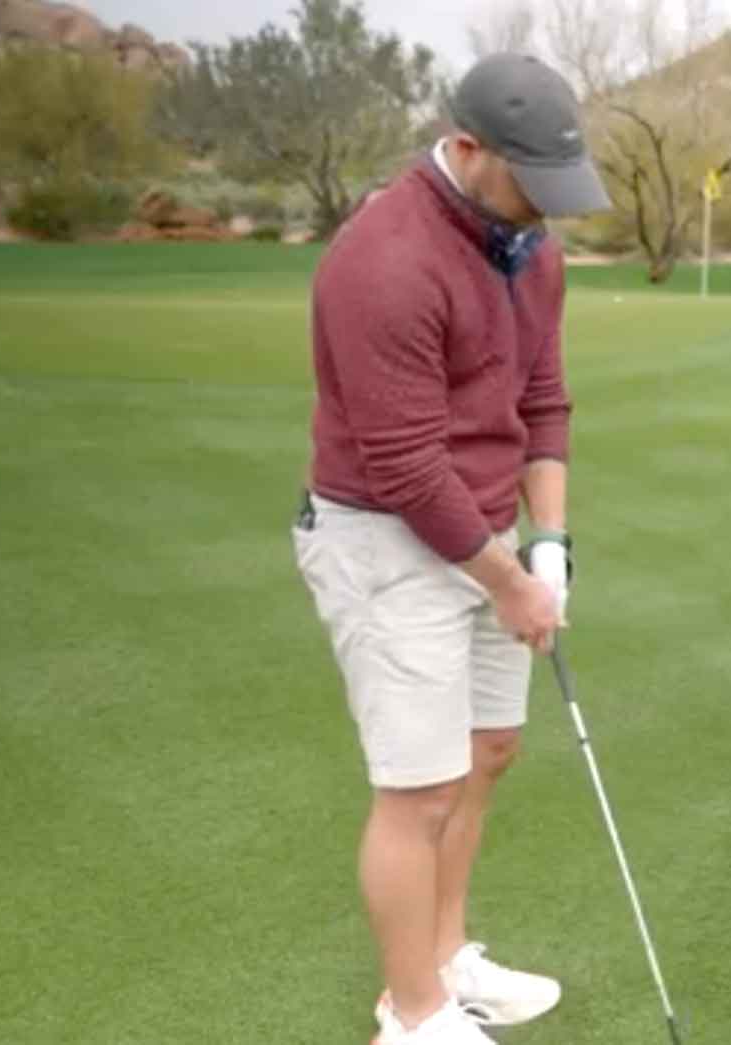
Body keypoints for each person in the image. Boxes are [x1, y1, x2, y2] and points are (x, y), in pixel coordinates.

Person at [291, 53, 610, 1045]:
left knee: (487, 753)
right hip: (384, 540)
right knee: (419, 786)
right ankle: (414, 1015)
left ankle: (445, 958)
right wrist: (510, 582)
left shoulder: (531, 252)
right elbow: (401, 466)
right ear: (466, 149)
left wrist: (547, 542)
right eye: (528, 187)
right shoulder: (382, 258)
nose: (541, 214)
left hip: (487, 535)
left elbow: (541, 404)